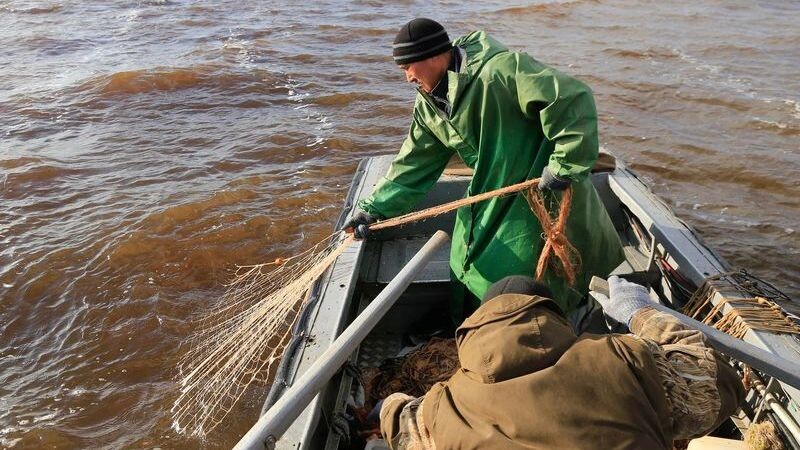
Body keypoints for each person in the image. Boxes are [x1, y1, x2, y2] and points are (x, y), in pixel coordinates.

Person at [344, 18, 624, 319]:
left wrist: (563, 167)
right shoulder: (429, 104)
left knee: (520, 274)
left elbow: (571, 98)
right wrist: (374, 209)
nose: (408, 78)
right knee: (463, 260)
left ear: (434, 56)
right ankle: (472, 329)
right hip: (491, 188)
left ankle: (550, 327)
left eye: (408, 67)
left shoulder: (501, 71)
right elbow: (414, 161)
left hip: (541, 190)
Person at [378, 275, 746, 450]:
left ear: (473, 331)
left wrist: (390, 403)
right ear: (555, 319)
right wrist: (639, 314)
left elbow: (397, 422)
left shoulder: (440, 409)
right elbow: (717, 391)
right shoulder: (626, 357)